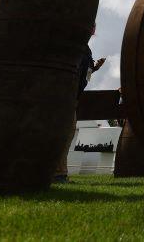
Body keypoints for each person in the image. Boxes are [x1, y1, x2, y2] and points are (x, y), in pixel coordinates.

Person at [52, 41, 106, 184]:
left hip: (72, 97)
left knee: (68, 134)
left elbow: (83, 72)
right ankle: (58, 174)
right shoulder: (79, 46)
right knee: (66, 133)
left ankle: (59, 173)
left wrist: (95, 68)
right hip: (66, 97)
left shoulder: (85, 49)